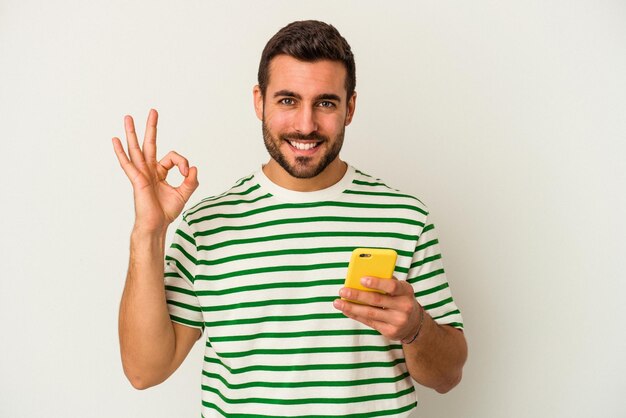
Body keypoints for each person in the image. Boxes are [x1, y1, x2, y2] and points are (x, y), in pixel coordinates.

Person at [112, 20, 467, 417]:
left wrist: (415, 327)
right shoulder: (205, 225)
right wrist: (149, 232)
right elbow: (144, 371)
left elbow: (448, 375)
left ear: (350, 107)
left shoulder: (404, 218)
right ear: (258, 101)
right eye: (287, 100)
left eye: (326, 103)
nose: (306, 124)